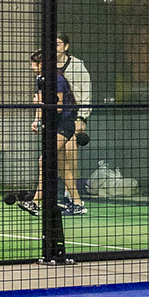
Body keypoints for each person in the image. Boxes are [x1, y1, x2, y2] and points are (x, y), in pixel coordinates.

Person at [20, 48, 83, 217]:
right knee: (62, 165)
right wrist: (37, 120)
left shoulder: (57, 79)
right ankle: (78, 204)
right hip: (54, 125)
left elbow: (58, 107)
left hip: (65, 124)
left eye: (33, 63)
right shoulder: (41, 79)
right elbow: (42, 103)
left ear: (42, 64)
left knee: (45, 160)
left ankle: (35, 202)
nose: (31, 66)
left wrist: (40, 102)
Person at [56, 33, 91, 195]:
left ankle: (70, 194)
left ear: (66, 46)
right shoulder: (47, 65)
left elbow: (86, 92)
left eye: (57, 44)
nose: (54, 48)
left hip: (72, 115)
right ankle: (63, 192)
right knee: (56, 156)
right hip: (54, 116)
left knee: (70, 153)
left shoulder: (77, 66)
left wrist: (81, 117)